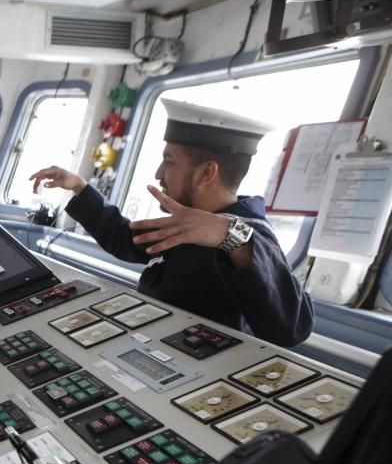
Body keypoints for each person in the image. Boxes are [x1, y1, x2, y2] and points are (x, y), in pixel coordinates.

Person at [30, 99, 314, 347]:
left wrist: (230, 235)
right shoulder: (186, 222)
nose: (158, 173)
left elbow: (292, 329)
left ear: (206, 172)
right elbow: (128, 241)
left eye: (169, 161)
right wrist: (80, 187)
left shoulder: (248, 236)